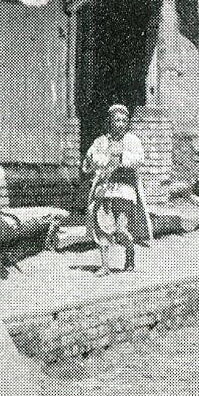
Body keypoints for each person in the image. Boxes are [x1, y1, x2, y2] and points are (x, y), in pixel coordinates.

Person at [83, 104, 152, 275]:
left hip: (125, 191)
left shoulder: (132, 140)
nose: (120, 124)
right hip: (105, 189)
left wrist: (122, 157)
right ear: (110, 122)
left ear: (127, 123)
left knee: (121, 230)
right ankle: (105, 266)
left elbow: (140, 159)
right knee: (102, 227)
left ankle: (129, 254)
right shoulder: (100, 141)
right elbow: (88, 162)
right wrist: (97, 159)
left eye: (123, 120)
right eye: (116, 120)